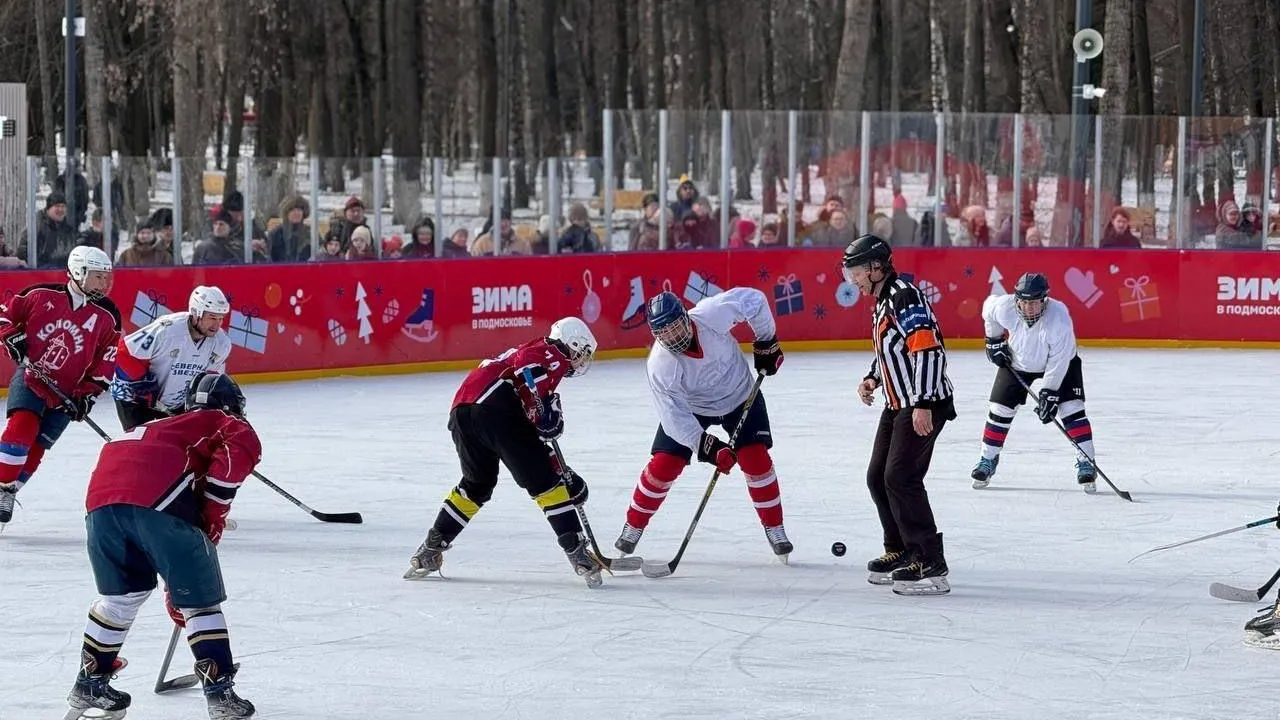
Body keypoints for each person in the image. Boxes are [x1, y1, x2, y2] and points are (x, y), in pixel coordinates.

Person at [65, 373, 259, 720]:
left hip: (100, 508)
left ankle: (89, 682)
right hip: (155, 505)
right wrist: (210, 522)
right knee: (200, 605)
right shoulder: (229, 424)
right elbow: (228, 470)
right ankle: (220, 694)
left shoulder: (159, 427)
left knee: (120, 599)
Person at [404, 317, 604, 587]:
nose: (581, 361)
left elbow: (529, 427)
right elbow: (527, 366)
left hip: (463, 410)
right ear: (573, 344)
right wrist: (543, 408)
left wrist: (557, 463)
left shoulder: (533, 351)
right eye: (582, 353)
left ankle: (429, 549)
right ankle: (578, 553)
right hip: (494, 409)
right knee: (546, 484)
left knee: (476, 485)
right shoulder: (552, 353)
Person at [613, 288, 790, 562]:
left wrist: (766, 342)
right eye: (663, 333)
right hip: (693, 409)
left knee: (756, 459)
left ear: (686, 317)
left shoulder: (712, 314)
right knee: (664, 464)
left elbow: (755, 300)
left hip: (740, 394)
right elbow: (674, 418)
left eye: (675, 327)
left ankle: (775, 528)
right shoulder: (661, 365)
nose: (672, 337)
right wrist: (707, 447)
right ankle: (633, 526)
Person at [844, 234, 956, 597]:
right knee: (878, 477)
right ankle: (901, 549)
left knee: (901, 477)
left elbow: (927, 346)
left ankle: (929, 559)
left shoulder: (903, 295)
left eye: (857, 272)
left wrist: (922, 401)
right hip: (897, 401)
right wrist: (874, 376)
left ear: (876, 268)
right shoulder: (883, 300)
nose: (854, 280)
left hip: (923, 401)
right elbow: (893, 346)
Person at [0, 246, 120, 528]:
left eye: (106, 277)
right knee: (22, 428)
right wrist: (10, 337)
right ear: (78, 272)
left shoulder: (108, 315)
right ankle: (4, 488)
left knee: (39, 448)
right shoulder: (40, 295)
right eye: (98, 277)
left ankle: (8, 491)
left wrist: (87, 396)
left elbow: (106, 361)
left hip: (69, 392)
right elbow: (4, 318)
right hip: (32, 377)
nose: (104, 283)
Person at [972, 272, 1099, 492]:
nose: (1029, 308)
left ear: (1044, 300)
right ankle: (987, 459)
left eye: (1035, 303)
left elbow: (1059, 362)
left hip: (1061, 364)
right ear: (1017, 299)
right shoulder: (1004, 307)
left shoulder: (1059, 318)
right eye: (1024, 302)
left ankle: (1086, 460)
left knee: (1071, 410)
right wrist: (993, 340)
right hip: (1019, 361)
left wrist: (1049, 392)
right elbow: (987, 310)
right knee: (999, 409)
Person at [111, 285, 232, 431]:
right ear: (196, 313)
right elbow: (124, 352)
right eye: (212, 317)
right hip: (134, 398)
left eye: (220, 318)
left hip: (174, 403)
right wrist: (142, 383)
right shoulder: (166, 330)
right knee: (144, 447)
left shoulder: (222, 343)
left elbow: (207, 379)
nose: (217, 324)